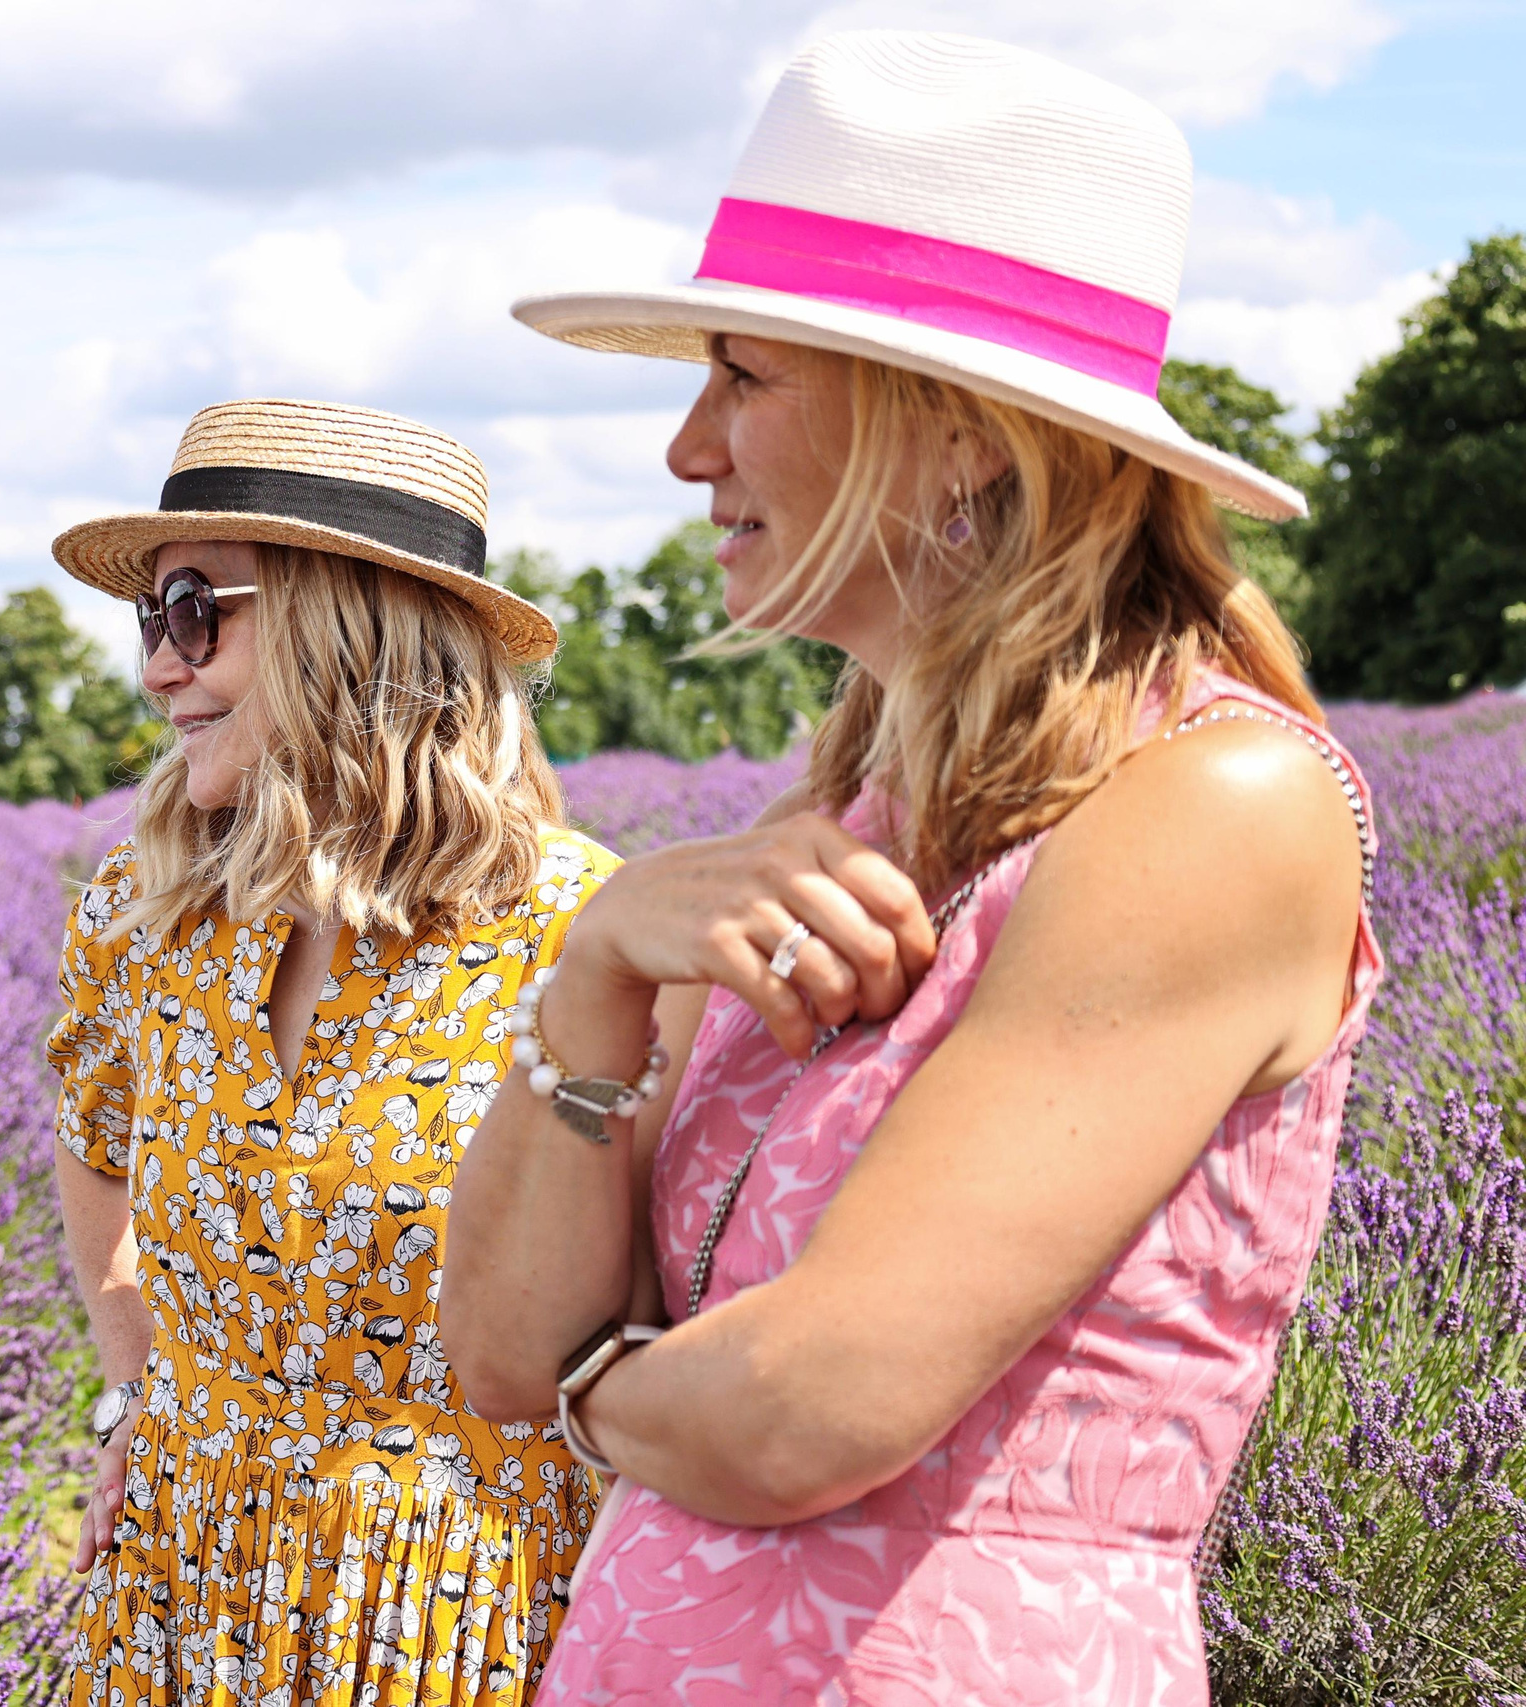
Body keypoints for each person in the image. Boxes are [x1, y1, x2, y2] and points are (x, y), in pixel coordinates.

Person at [440, 32, 1377, 1704]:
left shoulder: (1211, 801)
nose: (685, 449)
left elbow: (807, 1407)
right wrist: (592, 974)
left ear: (959, 438)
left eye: (746, 377)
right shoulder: (861, 821)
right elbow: (496, 1346)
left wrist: (603, 1383)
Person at [45, 399, 643, 1706]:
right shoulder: (147, 912)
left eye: (197, 611)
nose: (158, 668)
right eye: (151, 620)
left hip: (452, 1619)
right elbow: (95, 1141)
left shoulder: (584, 944)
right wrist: (135, 1393)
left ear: (349, 625)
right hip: (176, 1598)